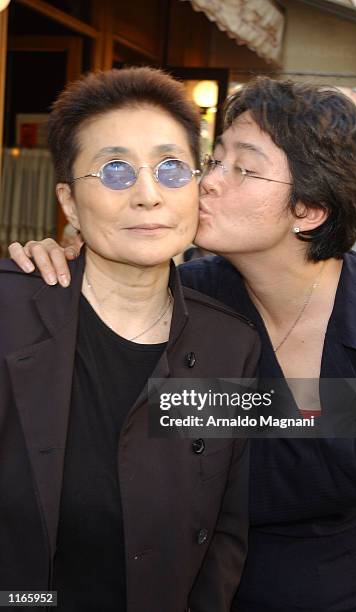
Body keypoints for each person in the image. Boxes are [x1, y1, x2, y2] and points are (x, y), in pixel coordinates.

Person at [10, 77, 356, 612]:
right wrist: (57, 266)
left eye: (241, 167)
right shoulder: (189, 301)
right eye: (213, 162)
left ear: (308, 210)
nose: (207, 183)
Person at [1, 67, 261, 612]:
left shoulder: (227, 344)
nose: (148, 195)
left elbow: (223, 532)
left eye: (171, 168)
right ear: (69, 203)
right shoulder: (10, 314)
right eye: (115, 171)